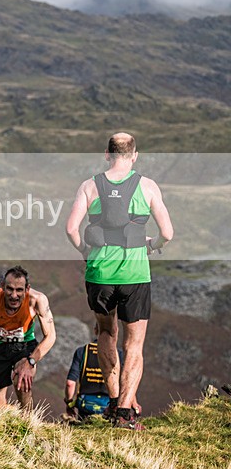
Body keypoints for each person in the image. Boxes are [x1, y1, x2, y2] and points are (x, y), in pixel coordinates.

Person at [66, 132, 173, 430]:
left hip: (99, 272)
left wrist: (86, 252)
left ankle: (113, 402)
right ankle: (125, 413)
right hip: (135, 274)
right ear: (134, 155)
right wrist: (151, 245)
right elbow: (168, 233)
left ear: (106, 154)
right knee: (134, 343)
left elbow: (71, 228)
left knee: (105, 332)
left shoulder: (89, 186)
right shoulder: (147, 186)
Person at [0, 265, 57, 410]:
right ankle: (5, 415)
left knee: (22, 379)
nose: (14, 295)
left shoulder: (37, 300)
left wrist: (30, 362)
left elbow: (51, 335)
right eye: (9, 289)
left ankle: (28, 422)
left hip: (23, 345)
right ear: (2, 286)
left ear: (27, 289)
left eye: (19, 290)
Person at [63, 323, 140, 422]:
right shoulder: (118, 354)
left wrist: (69, 403)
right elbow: (126, 381)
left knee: (83, 431)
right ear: (115, 332)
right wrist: (134, 404)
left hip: (85, 404)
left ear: (95, 330)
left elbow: (70, 383)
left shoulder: (82, 351)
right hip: (109, 404)